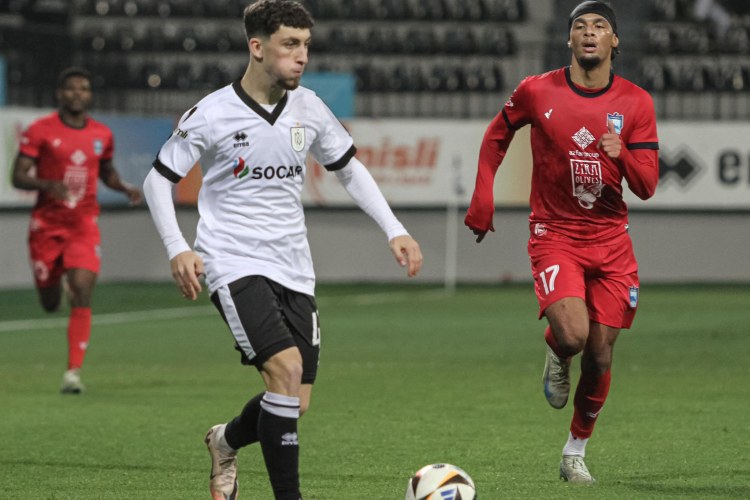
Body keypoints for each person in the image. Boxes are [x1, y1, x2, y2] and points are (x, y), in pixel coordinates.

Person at [142, 1, 423, 499]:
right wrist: (177, 247)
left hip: (293, 265)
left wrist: (394, 229)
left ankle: (225, 441)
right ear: (257, 47)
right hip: (232, 260)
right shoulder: (212, 113)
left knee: (295, 400)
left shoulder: (308, 107)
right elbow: (157, 180)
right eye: (290, 44)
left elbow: (349, 170)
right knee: (286, 370)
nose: (302, 56)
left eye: (306, 45)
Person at [465, 0, 659, 484]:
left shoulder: (636, 102)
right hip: (555, 234)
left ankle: (575, 452)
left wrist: (623, 156)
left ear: (614, 40)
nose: (589, 32)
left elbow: (647, 185)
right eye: (580, 26)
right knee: (573, 336)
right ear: (569, 39)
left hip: (611, 242)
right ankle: (556, 350)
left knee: (600, 353)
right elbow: (496, 136)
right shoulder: (537, 90)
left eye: (600, 26)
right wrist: (483, 196)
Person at [12, 66, 142, 394]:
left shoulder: (102, 134)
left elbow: (106, 172)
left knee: (83, 289)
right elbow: (18, 175)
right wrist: (47, 184)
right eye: (71, 88)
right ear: (60, 93)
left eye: (83, 88)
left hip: (83, 224)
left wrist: (123, 187)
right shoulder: (40, 130)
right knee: (49, 301)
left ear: (89, 95)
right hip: (47, 226)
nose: (77, 94)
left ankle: (73, 373)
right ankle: (54, 280)